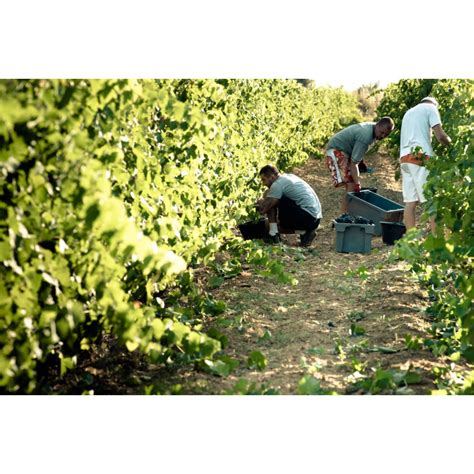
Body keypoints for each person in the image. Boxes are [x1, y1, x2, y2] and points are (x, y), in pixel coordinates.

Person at [399, 97, 451, 233]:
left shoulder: (409, 112)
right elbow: (440, 136)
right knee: (431, 201)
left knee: (410, 202)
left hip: (404, 158)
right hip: (420, 157)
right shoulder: (431, 108)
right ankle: (437, 240)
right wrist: (452, 146)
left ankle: (411, 241)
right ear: (435, 104)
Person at [325, 117, 395, 212]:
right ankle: (344, 217)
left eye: (386, 135)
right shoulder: (365, 136)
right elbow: (354, 164)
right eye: (382, 132)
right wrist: (358, 184)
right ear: (377, 125)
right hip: (336, 151)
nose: (382, 136)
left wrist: (359, 161)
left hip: (344, 152)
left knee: (352, 185)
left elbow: (356, 154)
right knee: (351, 185)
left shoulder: (373, 129)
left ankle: (347, 215)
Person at [256, 165, 322, 247]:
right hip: (315, 219)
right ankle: (304, 232)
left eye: (264, 180)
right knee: (271, 199)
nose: (263, 184)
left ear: (272, 177)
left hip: (307, 218)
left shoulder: (277, 184)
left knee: (270, 196)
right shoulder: (288, 177)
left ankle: (274, 234)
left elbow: (263, 210)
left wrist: (258, 204)